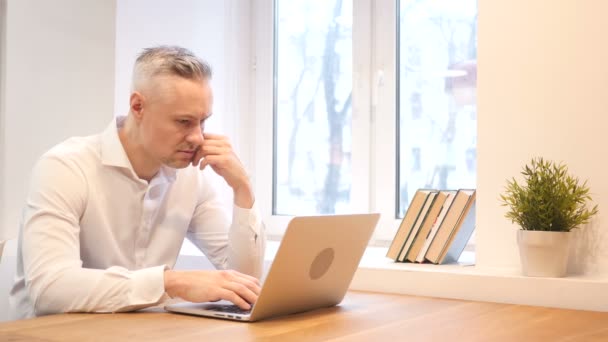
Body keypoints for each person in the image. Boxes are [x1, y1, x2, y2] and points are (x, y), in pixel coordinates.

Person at [8, 46, 266, 319]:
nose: (198, 138)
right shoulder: (65, 168)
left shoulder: (192, 177)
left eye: (202, 122)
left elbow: (245, 284)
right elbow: (50, 290)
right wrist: (170, 282)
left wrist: (242, 188)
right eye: (184, 122)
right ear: (137, 106)